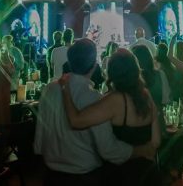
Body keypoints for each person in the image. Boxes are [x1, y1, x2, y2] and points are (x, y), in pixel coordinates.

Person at [34, 39, 153, 185]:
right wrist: (139, 150)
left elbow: (40, 135)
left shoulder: (49, 89)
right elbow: (108, 149)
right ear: (94, 65)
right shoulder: (94, 98)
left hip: (51, 174)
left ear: (70, 62)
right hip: (85, 177)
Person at [60, 48, 161, 185]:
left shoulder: (115, 100)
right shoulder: (146, 95)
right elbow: (156, 141)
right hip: (148, 174)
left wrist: (65, 90)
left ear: (112, 72)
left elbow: (75, 121)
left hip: (122, 175)